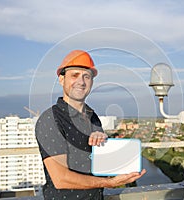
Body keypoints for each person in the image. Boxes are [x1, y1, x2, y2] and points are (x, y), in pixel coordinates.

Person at [35, 50, 146, 200]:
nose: (81, 82)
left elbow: (101, 165)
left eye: (86, 76)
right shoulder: (50, 119)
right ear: (62, 79)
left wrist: (105, 144)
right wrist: (110, 182)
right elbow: (60, 178)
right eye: (74, 75)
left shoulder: (93, 117)